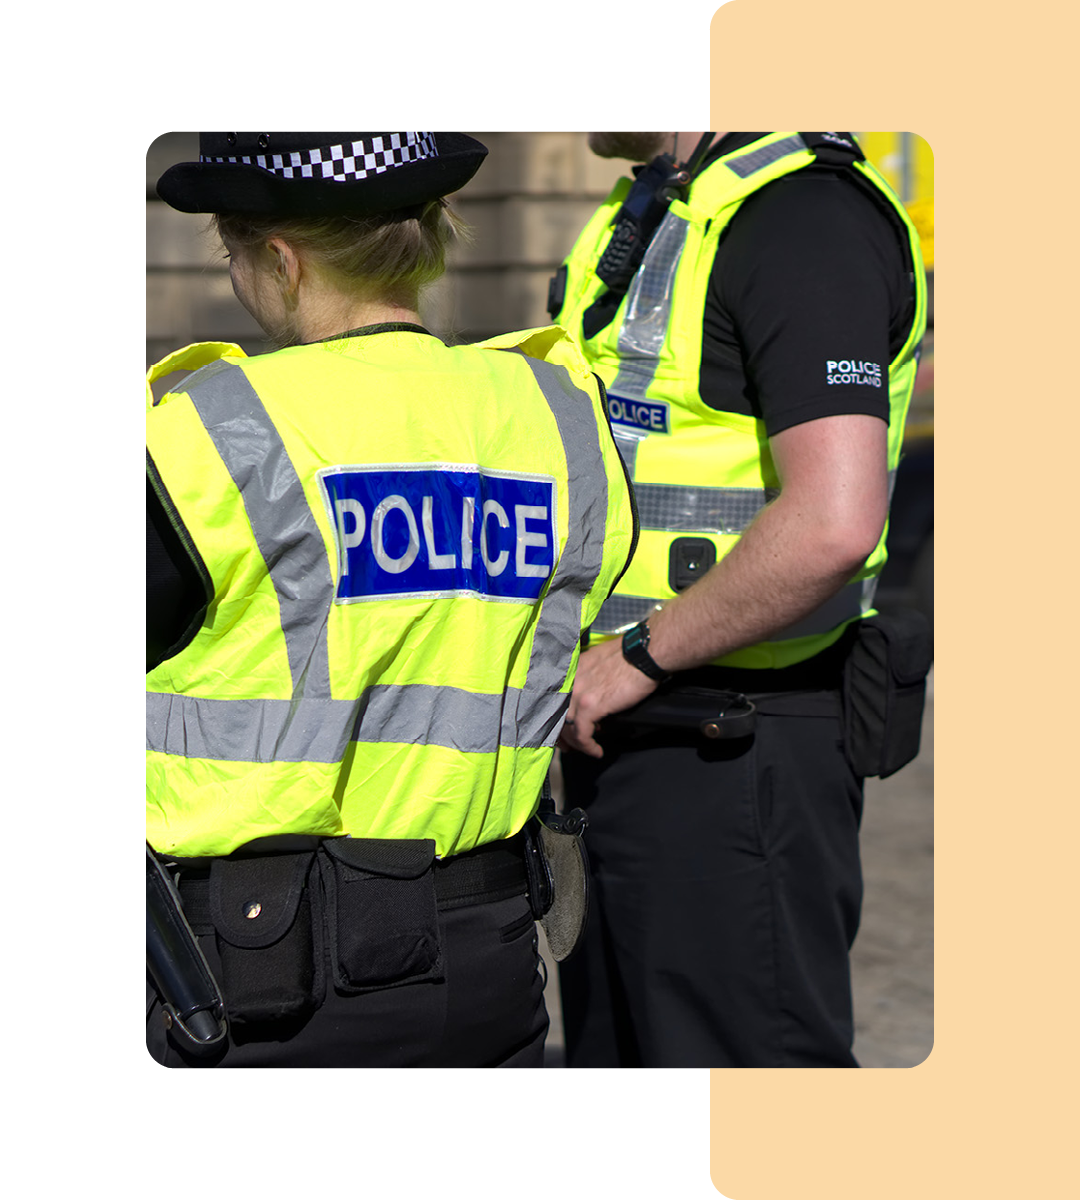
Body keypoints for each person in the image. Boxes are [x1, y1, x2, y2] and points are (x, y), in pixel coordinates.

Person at [145, 131, 636, 1069]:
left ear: (282, 262)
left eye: (235, 253)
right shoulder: (558, 415)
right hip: (488, 965)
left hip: (253, 986)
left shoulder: (214, 433)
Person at [551, 131, 928, 1068]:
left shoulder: (804, 220)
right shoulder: (659, 201)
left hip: (736, 751)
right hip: (640, 736)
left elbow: (834, 521)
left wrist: (636, 655)